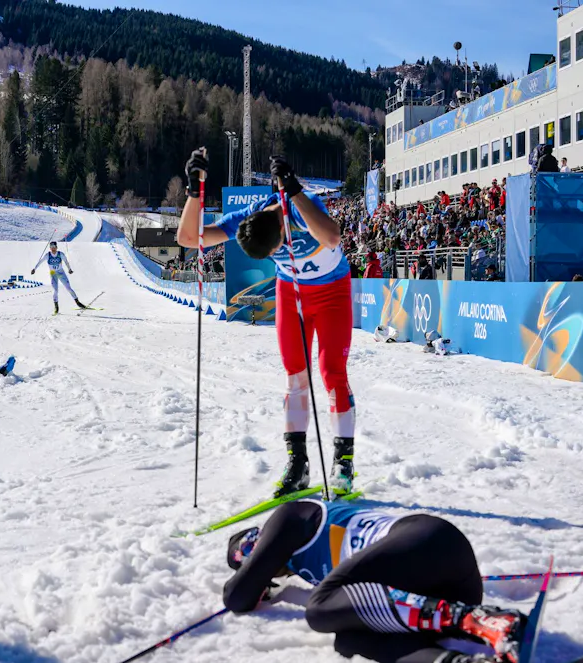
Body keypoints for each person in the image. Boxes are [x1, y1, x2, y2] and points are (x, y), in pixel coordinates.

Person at [176, 148, 356, 498]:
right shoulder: (253, 216)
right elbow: (188, 239)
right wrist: (193, 193)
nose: (278, 254)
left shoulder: (300, 209)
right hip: (292, 294)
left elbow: (333, 237)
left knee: (332, 373)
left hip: (332, 292)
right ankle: (298, 464)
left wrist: (294, 190)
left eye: (276, 250)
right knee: (295, 379)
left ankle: (343, 464)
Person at [223, 499, 527, 663]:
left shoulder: (292, 515)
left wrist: (247, 578)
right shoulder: (303, 567)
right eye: (244, 559)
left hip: (431, 542)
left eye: (250, 545)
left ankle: (480, 619)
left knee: (319, 610)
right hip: (439, 590)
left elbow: (237, 597)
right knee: (349, 638)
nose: (252, 558)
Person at [31, 241, 86, 314]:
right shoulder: (48, 255)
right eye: (51, 248)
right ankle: (56, 307)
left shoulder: (60, 254)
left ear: (56, 247)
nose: (53, 249)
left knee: (68, 288)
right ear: (50, 248)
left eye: (54, 247)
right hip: (53, 273)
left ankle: (78, 302)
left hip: (61, 272)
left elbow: (66, 262)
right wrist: (34, 269)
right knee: (55, 290)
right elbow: (40, 262)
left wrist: (69, 269)